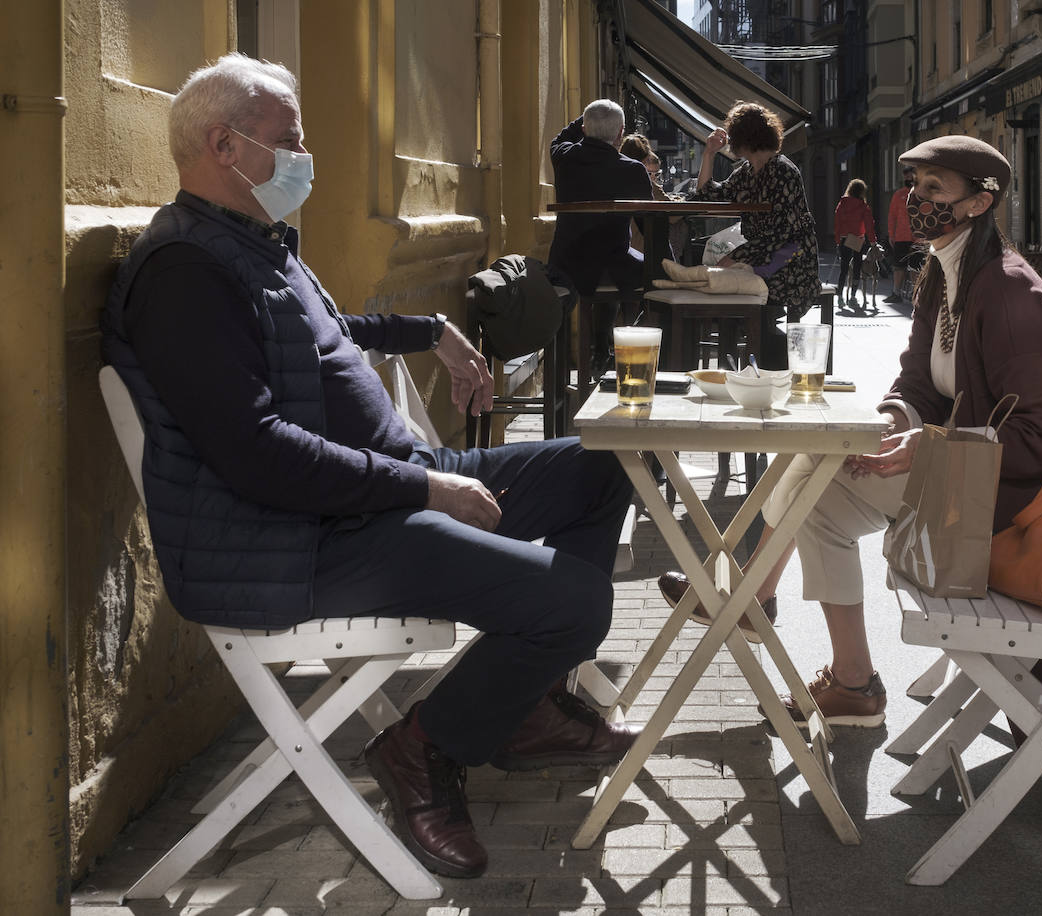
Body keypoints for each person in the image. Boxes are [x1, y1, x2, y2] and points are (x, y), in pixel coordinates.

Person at [100, 54, 639, 881]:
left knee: (600, 466)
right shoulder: (183, 274)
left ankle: (524, 706)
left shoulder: (250, 243)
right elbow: (256, 455)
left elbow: (320, 331)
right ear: (223, 146)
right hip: (292, 540)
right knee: (574, 599)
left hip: (374, 495)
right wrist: (425, 488)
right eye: (290, 139)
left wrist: (427, 331)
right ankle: (423, 750)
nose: (305, 156)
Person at [659, 135, 1042, 747]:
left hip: (1016, 503)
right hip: (972, 473)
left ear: (979, 203)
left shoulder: (1010, 297)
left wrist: (928, 444)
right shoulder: (944, 272)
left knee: (818, 478)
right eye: (914, 186)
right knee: (820, 478)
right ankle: (847, 679)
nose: (915, 201)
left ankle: (749, 597)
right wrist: (898, 418)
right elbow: (918, 380)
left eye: (934, 191)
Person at [688, 102, 821, 369]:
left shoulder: (783, 171)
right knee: (724, 277)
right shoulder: (747, 172)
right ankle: (742, 358)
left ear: (744, 139)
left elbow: (783, 236)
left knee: (728, 280)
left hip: (792, 260)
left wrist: (738, 257)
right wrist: (708, 154)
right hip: (768, 255)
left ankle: (761, 357)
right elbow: (706, 195)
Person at [549, 100, 655, 377]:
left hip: (566, 267)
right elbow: (651, 225)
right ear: (621, 133)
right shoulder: (632, 169)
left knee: (607, 261)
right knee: (650, 272)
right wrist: (667, 264)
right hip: (614, 265)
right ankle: (635, 360)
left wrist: (587, 120)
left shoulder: (563, 157)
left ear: (584, 129)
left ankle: (588, 359)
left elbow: (561, 138)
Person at [619, 132, 688, 260]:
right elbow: (673, 214)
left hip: (620, 248)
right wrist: (681, 199)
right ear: (643, 161)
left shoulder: (617, 178)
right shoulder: (645, 183)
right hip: (642, 252)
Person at [834, 178, 878, 307]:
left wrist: (837, 240)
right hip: (857, 238)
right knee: (857, 267)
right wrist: (873, 241)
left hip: (844, 237)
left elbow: (837, 222)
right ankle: (853, 296)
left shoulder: (842, 203)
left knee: (844, 268)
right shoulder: (862, 206)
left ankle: (840, 296)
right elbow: (869, 224)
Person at [886, 165, 918, 302]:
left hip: (918, 237)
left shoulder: (921, 193)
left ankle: (915, 293)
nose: (908, 176)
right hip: (901, 236)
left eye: (911, 173)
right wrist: (891, 235)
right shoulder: (898, 194)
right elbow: (892, 216)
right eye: (906, 174)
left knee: (915, 267)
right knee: (899, 267)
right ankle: (896, 293)